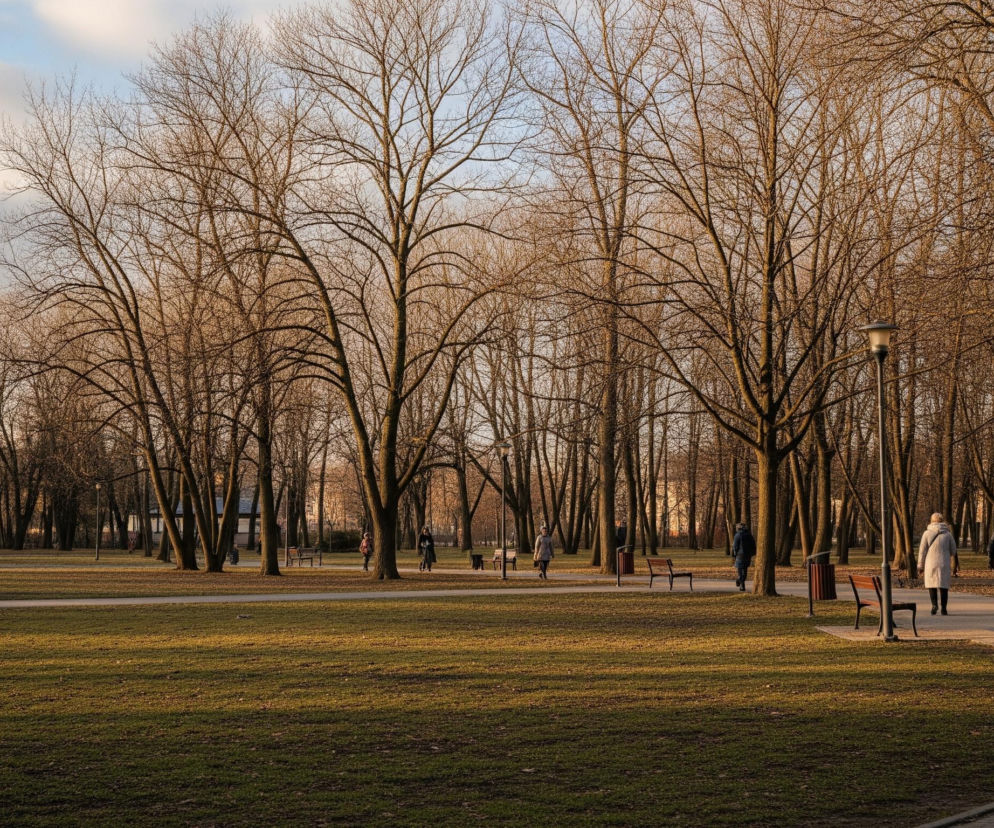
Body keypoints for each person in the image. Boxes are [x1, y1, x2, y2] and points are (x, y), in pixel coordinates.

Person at [918, 512, 956, 615]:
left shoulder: (926, 533)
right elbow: (953, 550)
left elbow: (922, 551)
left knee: (932, 585)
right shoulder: (948, 534)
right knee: (943, 586)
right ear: (942, 521)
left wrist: (920, 565)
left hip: (930, 563)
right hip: (944, 563)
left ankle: (934, 605)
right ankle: (944, 608)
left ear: (931, 521)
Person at [732, 523, 756, 592]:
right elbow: (753, 545)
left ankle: (739, 581)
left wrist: (734, 554)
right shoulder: (749, 535)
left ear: (738, 528)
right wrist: (752, 553)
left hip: (740, 555)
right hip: (747, 555)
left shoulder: (737, 535)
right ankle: (742, 585)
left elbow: (735, 546)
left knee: (740, 570)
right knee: (745, 570)